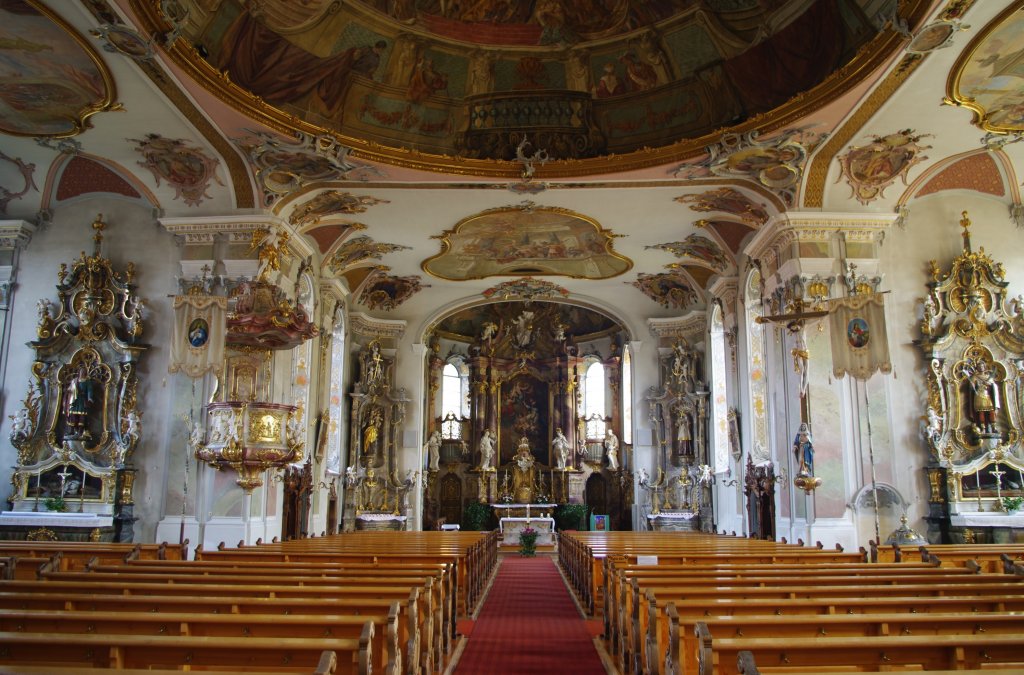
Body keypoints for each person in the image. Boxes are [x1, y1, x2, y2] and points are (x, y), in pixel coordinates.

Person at [968, 360, 998, 433]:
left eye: (982, 366)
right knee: (981, 412)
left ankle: (993, 427)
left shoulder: (988, 377)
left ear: (984, 367)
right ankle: (983, 428)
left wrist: (989, 384)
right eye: (979, 367)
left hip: (987, 396)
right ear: (977, 368)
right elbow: (971, 388)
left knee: (991, 411)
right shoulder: (974, 377)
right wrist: (974, 385)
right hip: (979, 396)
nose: (981, 368)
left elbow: (994, 387)